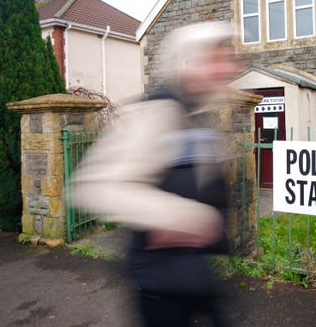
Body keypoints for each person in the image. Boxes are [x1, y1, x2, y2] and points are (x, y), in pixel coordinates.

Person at [71, 21, 243, 326]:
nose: (228, 67)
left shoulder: (200, 117)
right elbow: (93, 184)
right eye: (217, 58)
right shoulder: (157, 112)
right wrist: (183, 216)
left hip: (196, 277)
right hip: (160, 288)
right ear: (190, 64)